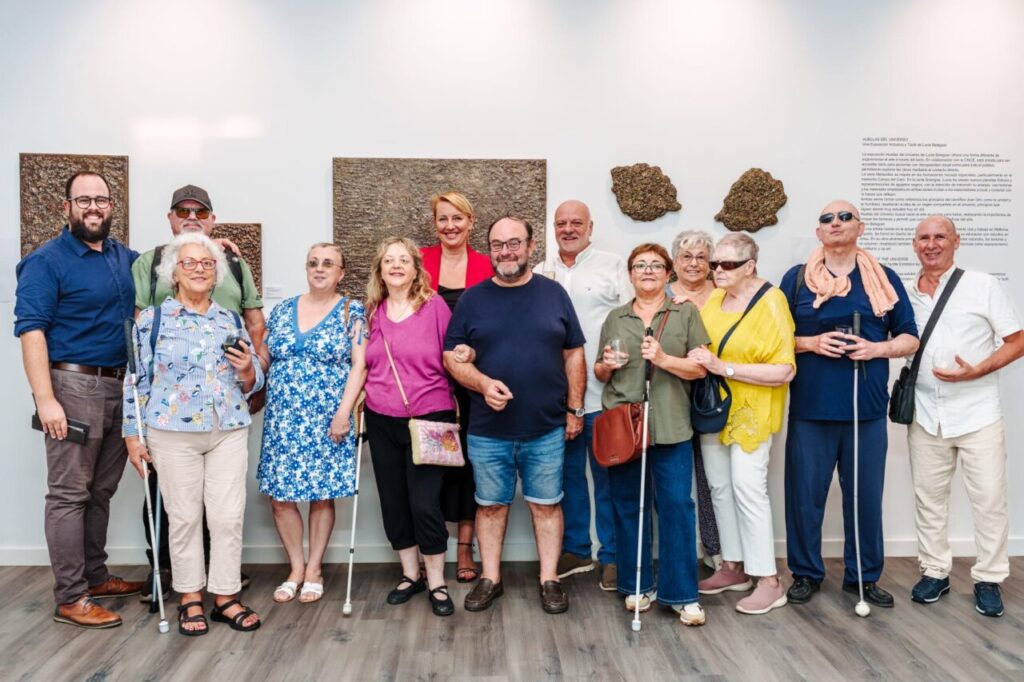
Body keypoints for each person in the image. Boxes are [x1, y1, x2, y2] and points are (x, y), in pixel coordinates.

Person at [15, 171, 145, 629]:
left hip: (119, 385)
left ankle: (95, 576)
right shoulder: (45, 261)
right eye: (84, 200)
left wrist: (213, 244)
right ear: (66, 208)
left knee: (101, 491)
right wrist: (45, 399)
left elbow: (166, 267)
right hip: (71, 388)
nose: (93, 207)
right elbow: (31, 330)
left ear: (112, 207)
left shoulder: (120, 256)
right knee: (69, 494)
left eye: (102, 200)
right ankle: (71, 597)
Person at [123, 232, 265, 636]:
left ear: (217, 273)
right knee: (184, 517)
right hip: (170, 431)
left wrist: (247, 371)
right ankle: (189, 596)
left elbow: (253, 380)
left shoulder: (230, 318)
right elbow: (135, 381)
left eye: (207, 263)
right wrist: (132, 435)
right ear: (174, 273)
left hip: (227, 428)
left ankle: (225, 597)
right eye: (190, 263)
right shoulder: (152, 321)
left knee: (227, 516)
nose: (200, 269)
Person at [444, 216, 586, 615]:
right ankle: (491, 578)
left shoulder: (554, 294)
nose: (506, 252)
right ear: (490, 249)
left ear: (530, 246)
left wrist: (575, 408)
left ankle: (549, 579)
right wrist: (482, 383)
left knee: (546, 505)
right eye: (497, 245)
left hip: (546, 426)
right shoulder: (473, 298)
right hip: (488, 430)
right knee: (490, 505)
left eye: (514, 243)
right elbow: (451, 357)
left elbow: (573, 352)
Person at [780, 200, 919, 608]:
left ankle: (864, 577)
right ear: (819, 232)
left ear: (861, 227)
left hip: (866, 409)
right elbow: (773, 339)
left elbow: (909, 337)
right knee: (805, 497)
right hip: (811, 408)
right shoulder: (797, 279)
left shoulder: (883, 278)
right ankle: (806, 573)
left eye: (844, 217)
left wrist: (876, 348)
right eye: (826, 218)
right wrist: (810, 342)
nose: (835, 223)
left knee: (864, 497)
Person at [906, 215, 1023, 617]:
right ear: (914, 244)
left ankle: (988, 578)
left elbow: (1018, 339)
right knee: (929, 500)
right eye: (924, 237)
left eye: (940, 236)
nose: (932, 244)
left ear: (957, 241)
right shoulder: (906, 294)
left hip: (978, 414)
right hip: (925, 414)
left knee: (990, 500)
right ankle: (934, 572)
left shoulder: (982, 285)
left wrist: (979, 369)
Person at [594, 243, 710, 626]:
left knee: (677, 507)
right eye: (639, 265)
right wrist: (607, 366)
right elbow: (599, 370)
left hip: (672, 426)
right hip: (624, 428)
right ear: (630, 273)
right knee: (628, 506)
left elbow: (700, 369)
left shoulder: (685, 313)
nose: (647, 271)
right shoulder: (616, 317)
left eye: (655, 265)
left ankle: (682, 594)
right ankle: (636, 586)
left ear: (668, 273)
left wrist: (663, 360)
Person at [687, 233, 795, 615]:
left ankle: (768, 578)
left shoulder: (772, 301)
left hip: (752, 410)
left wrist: (725, 367)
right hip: (715, 408)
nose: (717, 270)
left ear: (750, 265)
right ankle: (733, 566)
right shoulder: (716, 297)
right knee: (718, 488)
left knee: (749, 489)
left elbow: (784, 369)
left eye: (727, 265)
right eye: (715, 263)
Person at [257, 243, 366, 604]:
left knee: (321, 497)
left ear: (341, 272)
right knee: (281, 497)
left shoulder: (353, 311)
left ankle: (315, 568)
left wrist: (343, 413)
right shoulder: (283, 309)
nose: (320, 269)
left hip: (325, 418)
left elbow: (359, 365)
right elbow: (266, 359)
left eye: (328, 264)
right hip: (283, 420)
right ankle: (296, 568)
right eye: (313, 263)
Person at [532, 199, 632, 590]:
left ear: (591, 226)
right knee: (567, 478)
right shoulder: (541, 271)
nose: (568, 229)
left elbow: (632, 318)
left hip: (606, 395)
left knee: (608, 477)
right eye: (561, 223)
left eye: (576, 223)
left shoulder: (613, 266)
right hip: (555, 398)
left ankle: (611, 556)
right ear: (553, 228)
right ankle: (575, 550)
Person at [362, 237, 457, 617]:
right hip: (381, 417)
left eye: (404, 260)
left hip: (431, 416)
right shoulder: (371, 312)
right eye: (389, 260)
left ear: (416, 269)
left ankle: (436, 580)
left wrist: (468, 355)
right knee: (393, 501)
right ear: (380, 270)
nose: (396, 266)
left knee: (424, 503)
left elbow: (453, 354)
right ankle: (409, 574)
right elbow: (362, 365)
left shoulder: (434, 307)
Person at [420, 191, 493, 583]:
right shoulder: (419, 261)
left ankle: (465, 549)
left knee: (469, 464)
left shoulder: (486, 265)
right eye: (443, 219)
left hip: (472, 377)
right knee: (430, 464)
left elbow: (498, 320)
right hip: (428, 380)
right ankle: (429, 547)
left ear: (471, 221)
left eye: (457, 218)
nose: (450, 226)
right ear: (435, 224)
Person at [668, 229, 723, 570]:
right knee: (673, 480)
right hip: (671, 391)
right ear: (674, 262)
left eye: (701, 257)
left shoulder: (724, 294)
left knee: (712, 477)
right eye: (686, 257)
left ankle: (715, 548)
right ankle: (679, 551)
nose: (693, 263)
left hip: (712, 394)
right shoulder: (660, 293)